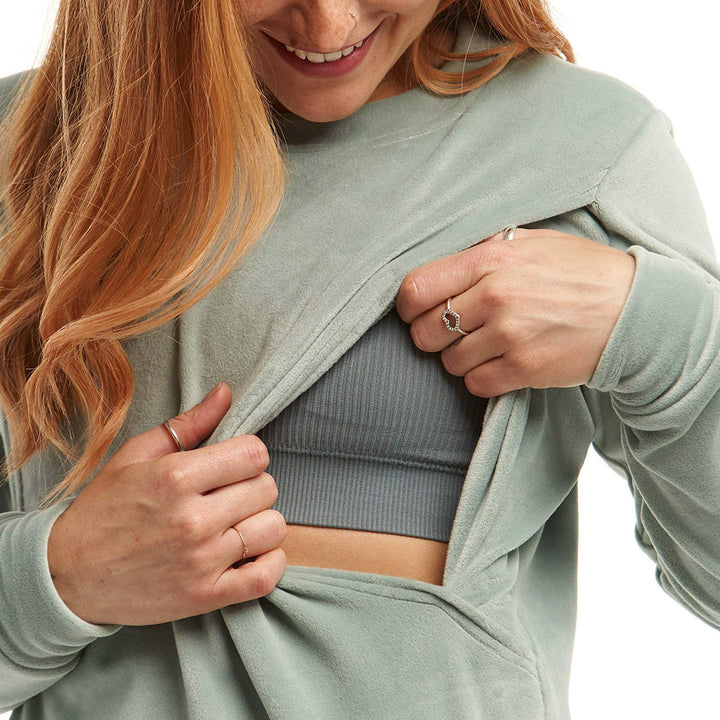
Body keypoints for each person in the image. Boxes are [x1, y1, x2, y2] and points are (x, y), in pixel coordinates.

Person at [0, 1, 718, 718]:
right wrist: (58, 577)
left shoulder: (582, 147)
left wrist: (655, 330)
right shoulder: (28, 145)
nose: (328, 28)